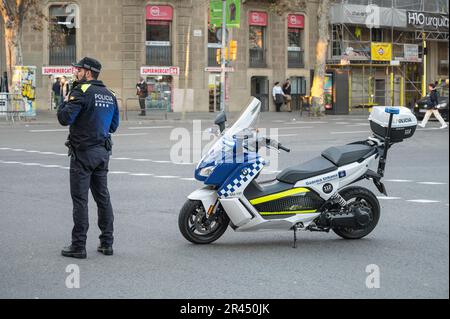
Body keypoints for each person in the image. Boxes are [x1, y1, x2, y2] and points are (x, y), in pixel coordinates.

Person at [58, 57, 120, 259]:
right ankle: (107, 243)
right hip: (102, 154)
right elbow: (113, 126)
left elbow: (65, 119)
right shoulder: (110, 95)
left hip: (83, 154)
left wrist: (64, 99)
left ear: (88, 72)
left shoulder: (80, 91)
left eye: (79, 69)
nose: (76, 72)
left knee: (80, 200)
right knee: (103, 198)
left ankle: (78, 246)